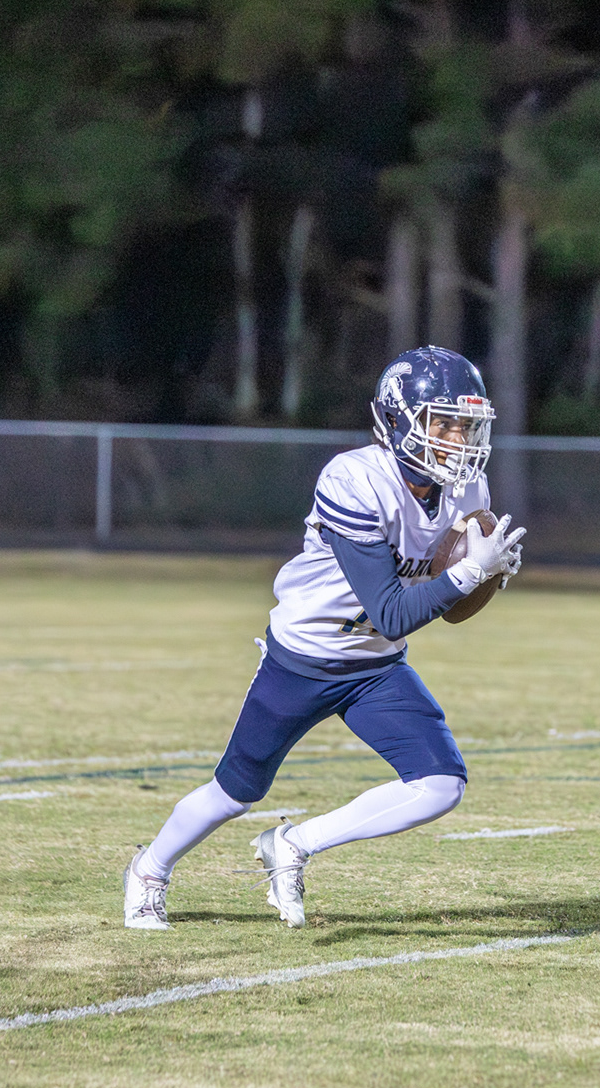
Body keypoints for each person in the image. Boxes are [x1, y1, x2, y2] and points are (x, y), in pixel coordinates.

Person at [123, 347, 527, 930]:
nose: (458, 439)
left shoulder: (469, 491)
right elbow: (391, 611)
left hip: (376, 667)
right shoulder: (355, 479)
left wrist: (487, 575)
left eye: (466, 425)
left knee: (441, 784)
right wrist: (467, 573)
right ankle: (149, 870)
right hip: (303, 661)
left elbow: (447, 611)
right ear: (397, 420)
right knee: (235, 792)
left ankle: (293, 844)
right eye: (442, 423)